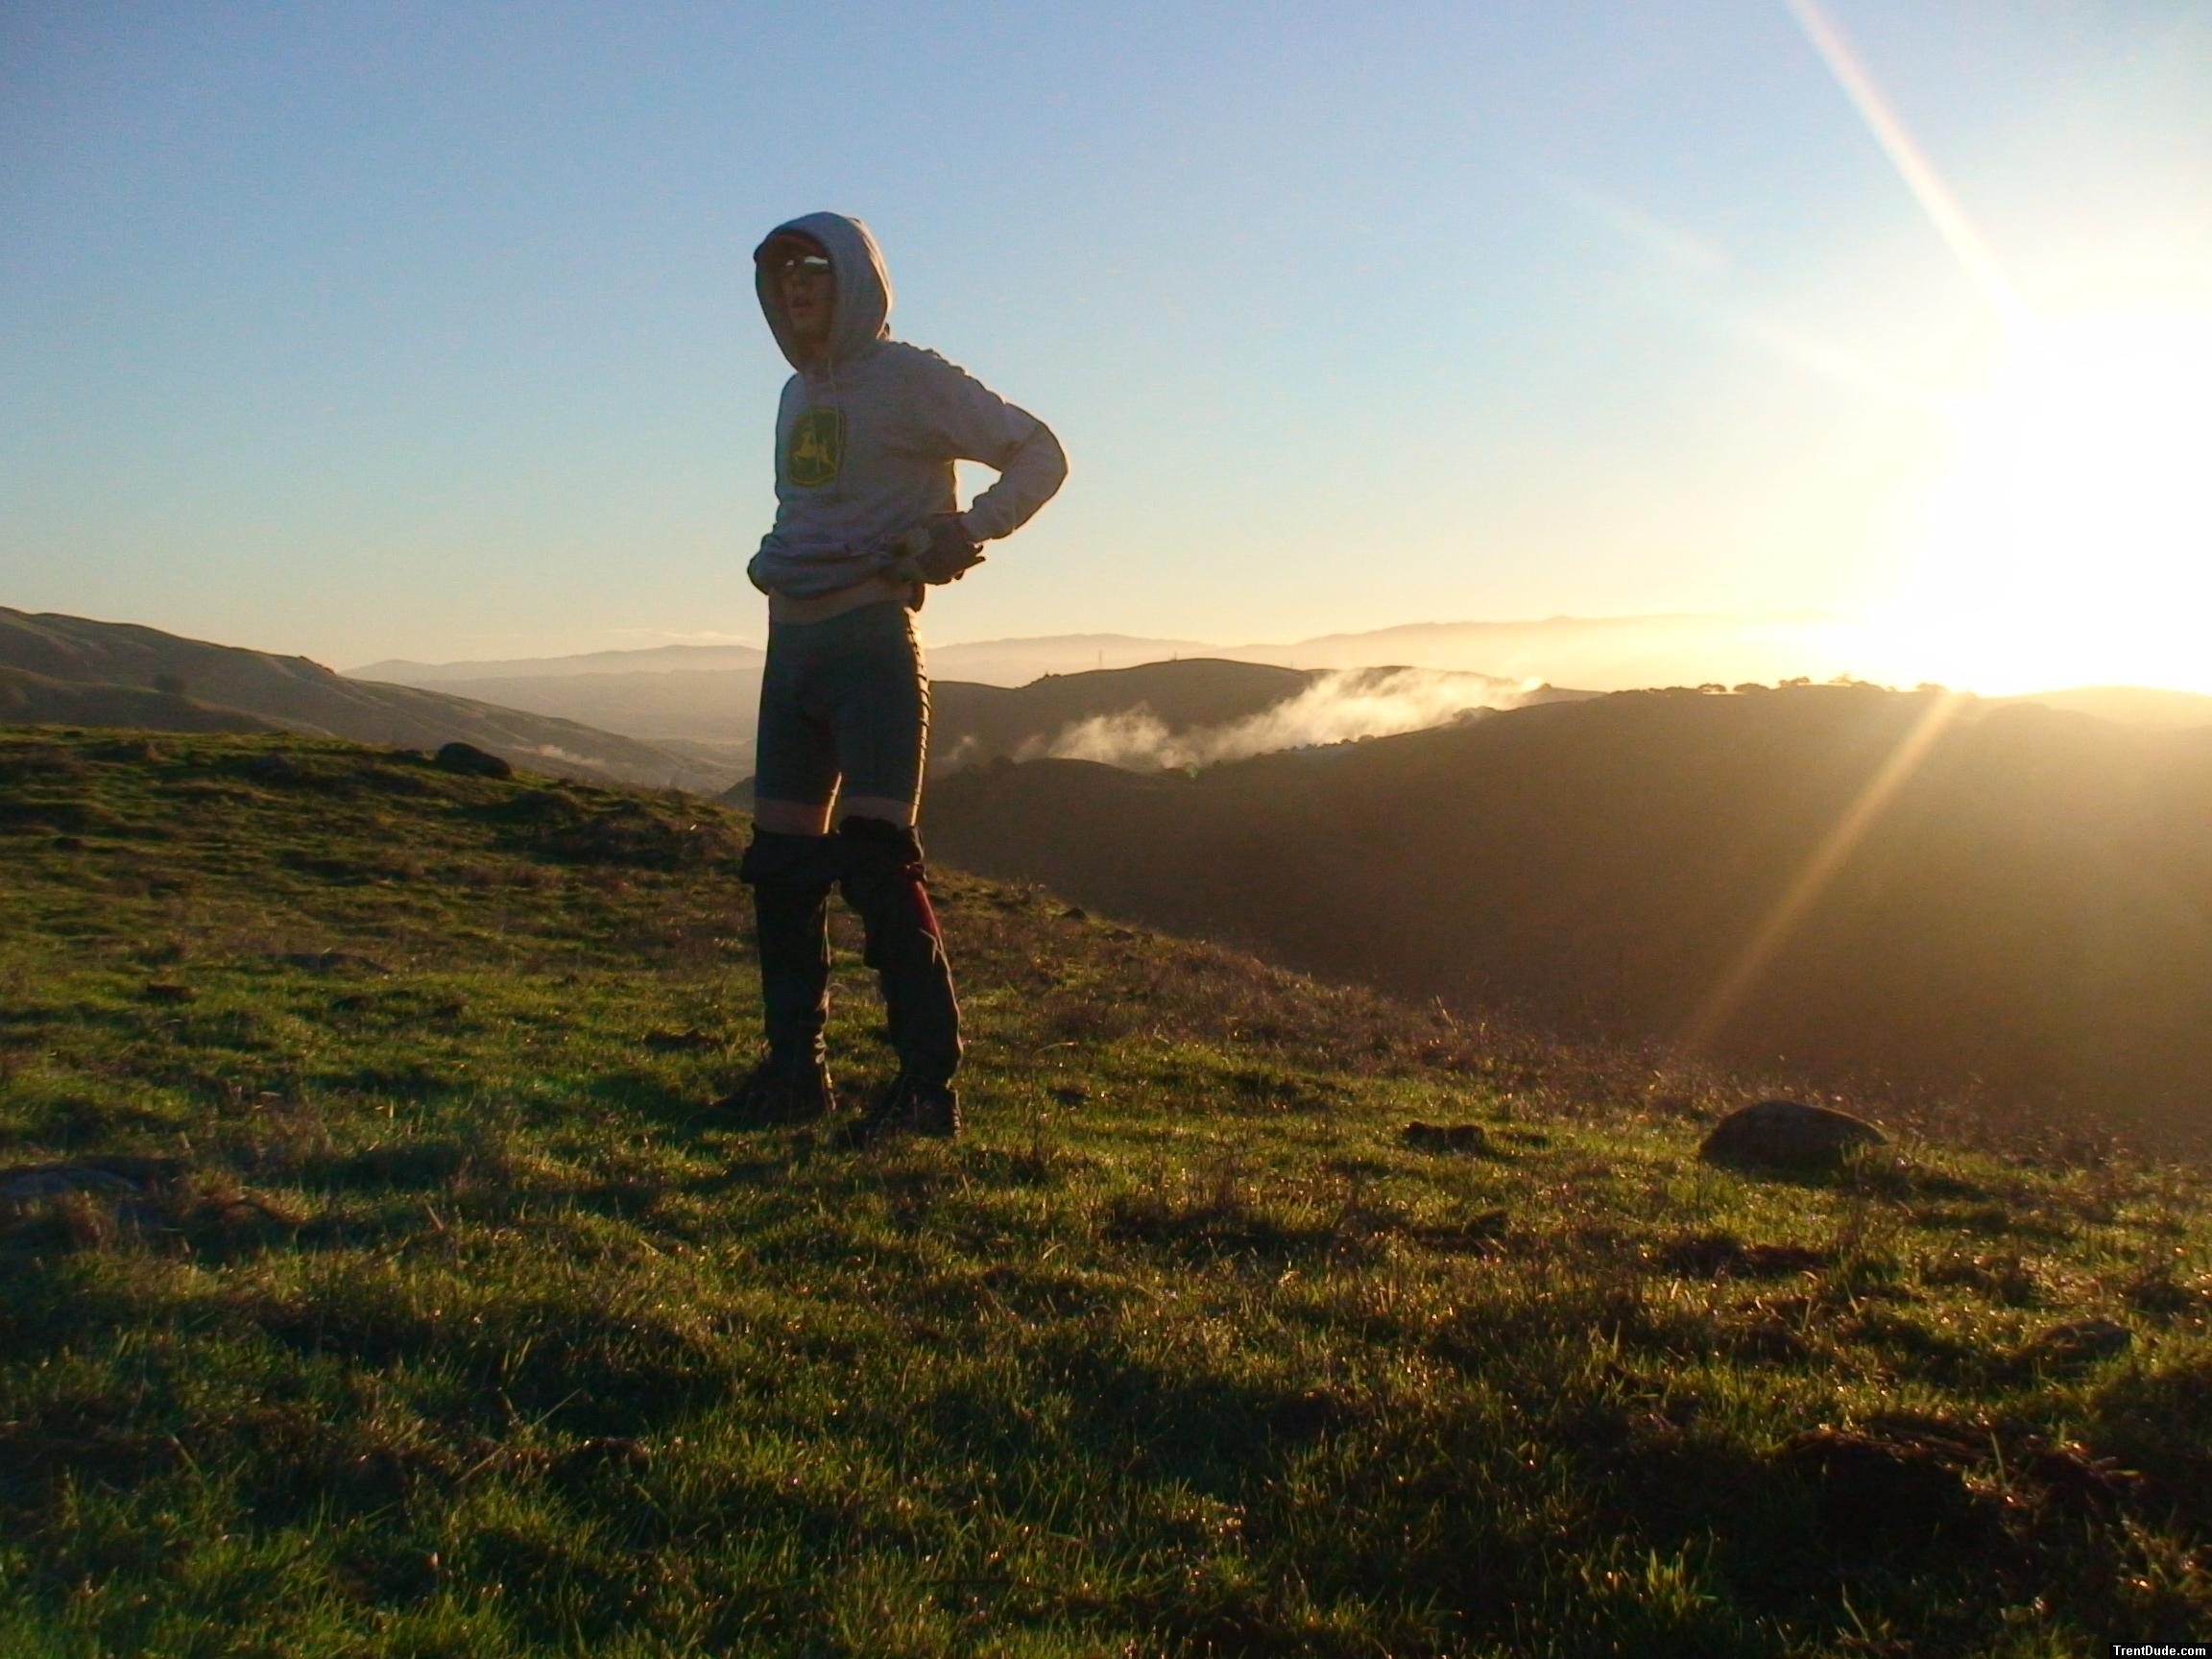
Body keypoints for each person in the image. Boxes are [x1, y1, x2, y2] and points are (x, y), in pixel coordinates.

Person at [724, 211, 1067, 1144]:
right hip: (789, 652)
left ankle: (926, 1094)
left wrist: (969, 529)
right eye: (784, 273)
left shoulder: (910, 377)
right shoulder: (795, 393)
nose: (798, 286)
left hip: (871, 645)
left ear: (856, 279)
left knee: (878, 865)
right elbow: (810, 506)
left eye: (816, 270)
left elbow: (1040, 451)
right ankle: (795, 1076)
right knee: (781, 874)